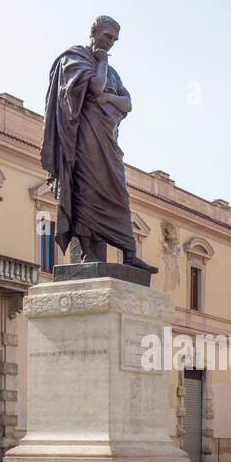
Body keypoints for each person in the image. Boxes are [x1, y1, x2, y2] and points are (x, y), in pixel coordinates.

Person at [41, 15, 155, 272]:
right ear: (93, 33)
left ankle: (129, 253)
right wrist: (101, 68)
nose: (111, 43)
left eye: (115, 39)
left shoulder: (113, 73)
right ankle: (88, 253)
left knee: (118, 192)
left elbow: (128, 103)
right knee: (87, 191)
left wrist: (107, 98)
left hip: (108, 141)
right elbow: (94, 87)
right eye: (107, 36)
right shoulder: (75, 58)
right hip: (84, 141)